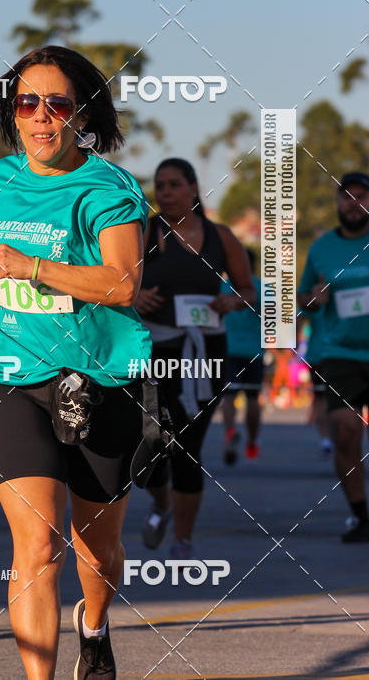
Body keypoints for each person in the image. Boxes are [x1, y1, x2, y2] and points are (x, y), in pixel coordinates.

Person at [0, 45, 151, 680]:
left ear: (83, 114)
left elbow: (124, 283)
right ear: (13, 112)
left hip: (99, 378)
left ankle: (94, 625)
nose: (42, 116)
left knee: (97, 551)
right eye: (28, 103)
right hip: (13, 377)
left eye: (57, 104)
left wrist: (35, 268)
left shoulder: (107, 189)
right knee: (37, 545)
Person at [136, 158, 256, 555]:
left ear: (193, 188)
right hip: (154, 352)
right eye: (160, 185)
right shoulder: (144, 232)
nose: (166, 192)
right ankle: (161, 504)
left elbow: (247, 290)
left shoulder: (220, 236)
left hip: (205, 353)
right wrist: (134, 296)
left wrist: (232, 301)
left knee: (188, 445)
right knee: (151, 441)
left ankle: (183, 540)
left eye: (174, 184)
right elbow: (115, 281)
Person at [297, 171, 369, 543]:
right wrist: (313, 299)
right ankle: (361, 515)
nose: (354, 204)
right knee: (344, 431)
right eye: (347, 197)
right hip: (338, 353)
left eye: (361, 196)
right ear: (338, 203)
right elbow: (303, 299)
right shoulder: (322, 248)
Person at [221, 248, 264, 465]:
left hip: (228, 349)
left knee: (228, 396)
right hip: (254, 351)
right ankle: (252, 440)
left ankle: (230, 431)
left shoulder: (222, 287)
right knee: (253, 398)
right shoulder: (262, 288)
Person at [300, 310, 332, 457]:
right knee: (329, 399)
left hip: (318, 355)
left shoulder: (315, 300)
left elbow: (298, 317)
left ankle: (325, 439)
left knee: (320, 399)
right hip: (332, 354)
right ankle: (328, 438)